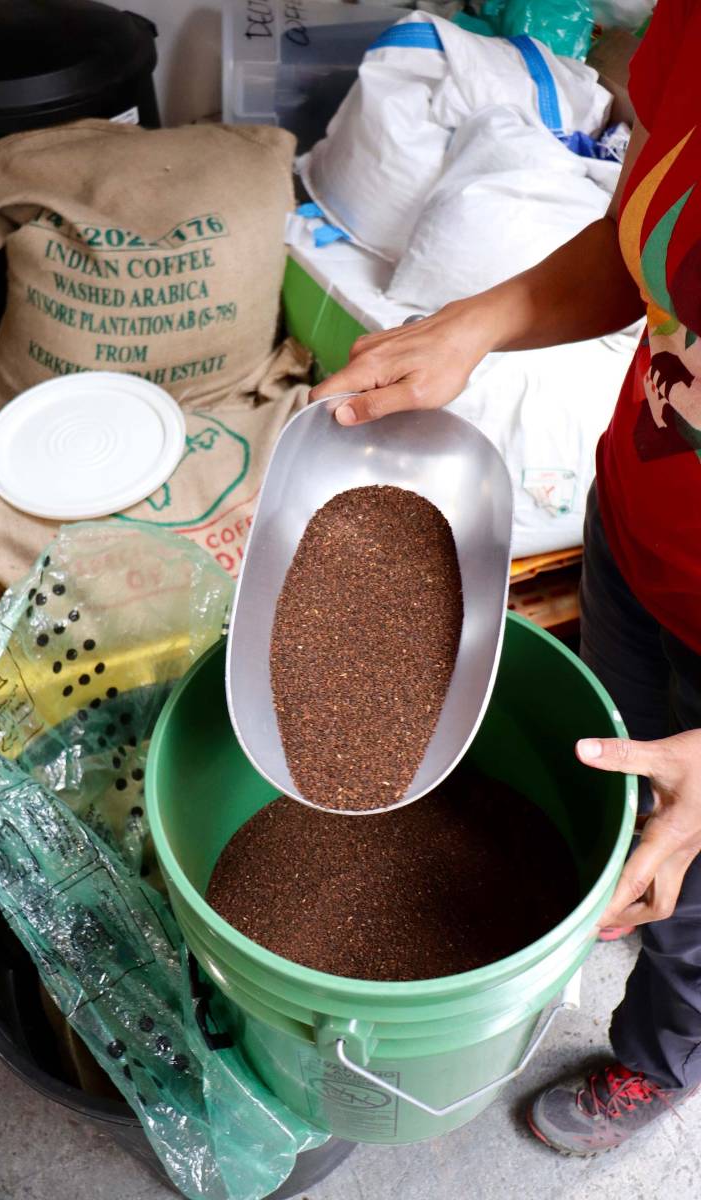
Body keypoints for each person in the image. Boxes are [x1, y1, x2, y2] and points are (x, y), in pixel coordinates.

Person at [310, 0, 701, 1156]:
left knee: (686, 911)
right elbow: (652, 243)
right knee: (614, 796)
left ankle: (660, 1058)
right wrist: (477, 323)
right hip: (636, 528)